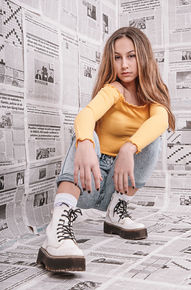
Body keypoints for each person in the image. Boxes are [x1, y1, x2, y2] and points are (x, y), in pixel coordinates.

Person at [36, 27, 175, 272]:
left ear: (143, 57)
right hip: (89, 180)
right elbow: (86, 115)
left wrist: (128, 149)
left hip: (117, 184)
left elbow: (161, 120)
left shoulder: (154, 101)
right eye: (117, 57)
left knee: (152, 139)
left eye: (131, 56)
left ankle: (116, 211)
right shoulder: (113, 90)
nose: (124, 64)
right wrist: (87, 143)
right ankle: (58, 226)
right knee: (85, 134)